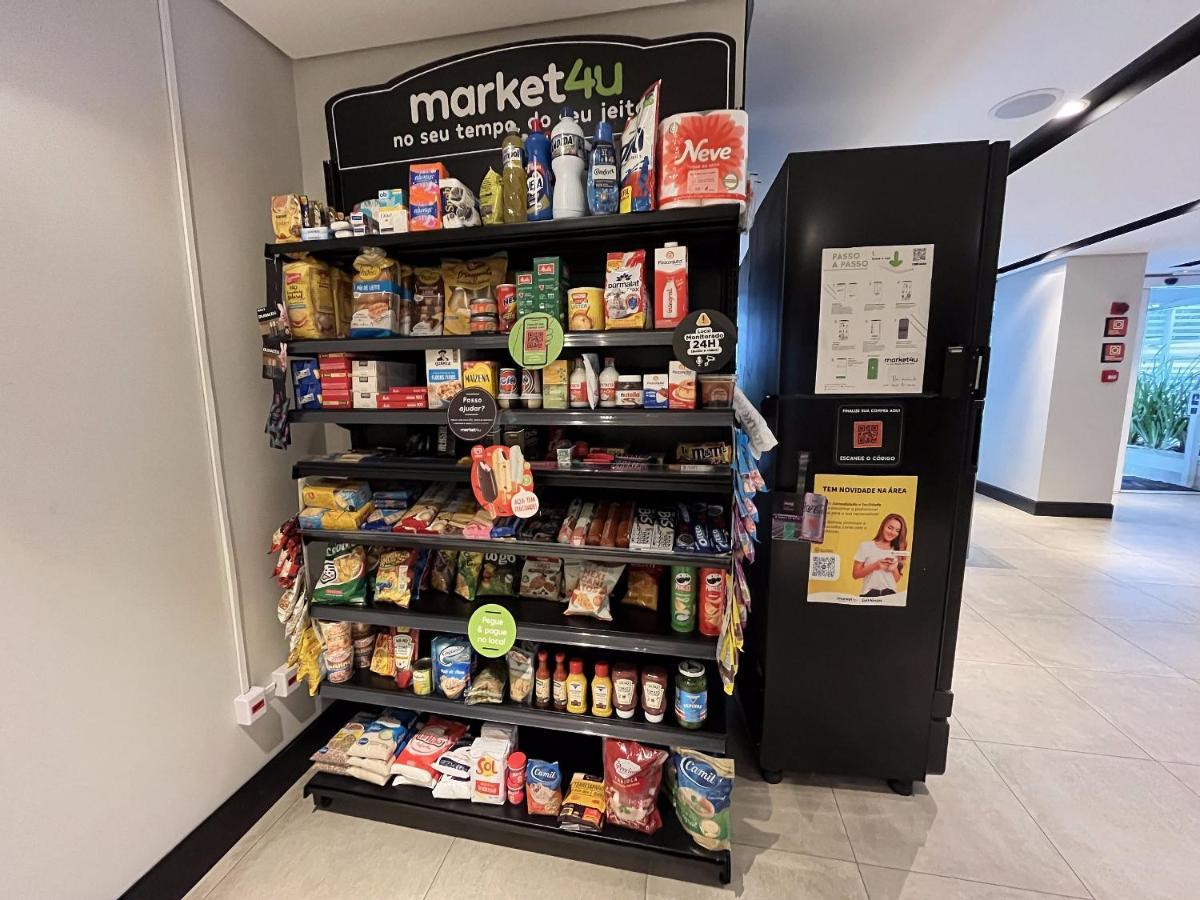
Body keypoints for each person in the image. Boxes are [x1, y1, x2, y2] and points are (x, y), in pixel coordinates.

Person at [852, 513, 908, 597]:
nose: (893, 533)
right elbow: (855, 574)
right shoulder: (866, 546)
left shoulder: (897, 550)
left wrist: (893, 569)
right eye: (890, 528)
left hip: (891, 595)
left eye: (897, 531)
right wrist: (875, 566)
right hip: (868, 594)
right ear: (883, 526)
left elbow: (896, 580)